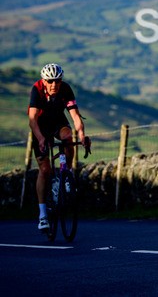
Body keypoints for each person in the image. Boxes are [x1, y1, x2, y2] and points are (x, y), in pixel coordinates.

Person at [28, 63, 91, 231]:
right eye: (50, 81)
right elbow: (32, 120)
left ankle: (67, 172)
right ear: (44, 80)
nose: (54, 84)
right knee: (45, 170)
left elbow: (75, 116)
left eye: (57, 80)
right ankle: (42, 215)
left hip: (58, 122)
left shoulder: (65, 89)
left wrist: (82, 135)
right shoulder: (37, 89)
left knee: (68, 137)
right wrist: (41, 139)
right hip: (40, 127)